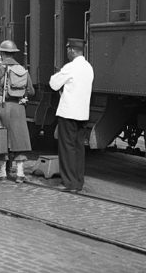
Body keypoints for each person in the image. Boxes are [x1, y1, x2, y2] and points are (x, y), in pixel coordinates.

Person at [0, 40, 35, 184]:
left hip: (2, 108)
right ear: (14, 53)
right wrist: (23, 97)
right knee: (19, 140)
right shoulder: (22, 69)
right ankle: (20, 174)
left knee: (2, 140)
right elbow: (31, 91)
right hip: (18, 109)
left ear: (1, 53)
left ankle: (2, 174)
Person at [49, 38, 94, 193]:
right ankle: (78, 182)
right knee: (79, 148)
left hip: (68, 113)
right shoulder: (88, 67)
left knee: (66, 148)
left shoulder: (70, 67)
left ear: (72, 50)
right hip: (82, 113)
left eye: (68, 50)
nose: (67, 53)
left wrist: (59, 73)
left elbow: (53, 84)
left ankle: (68, 182)